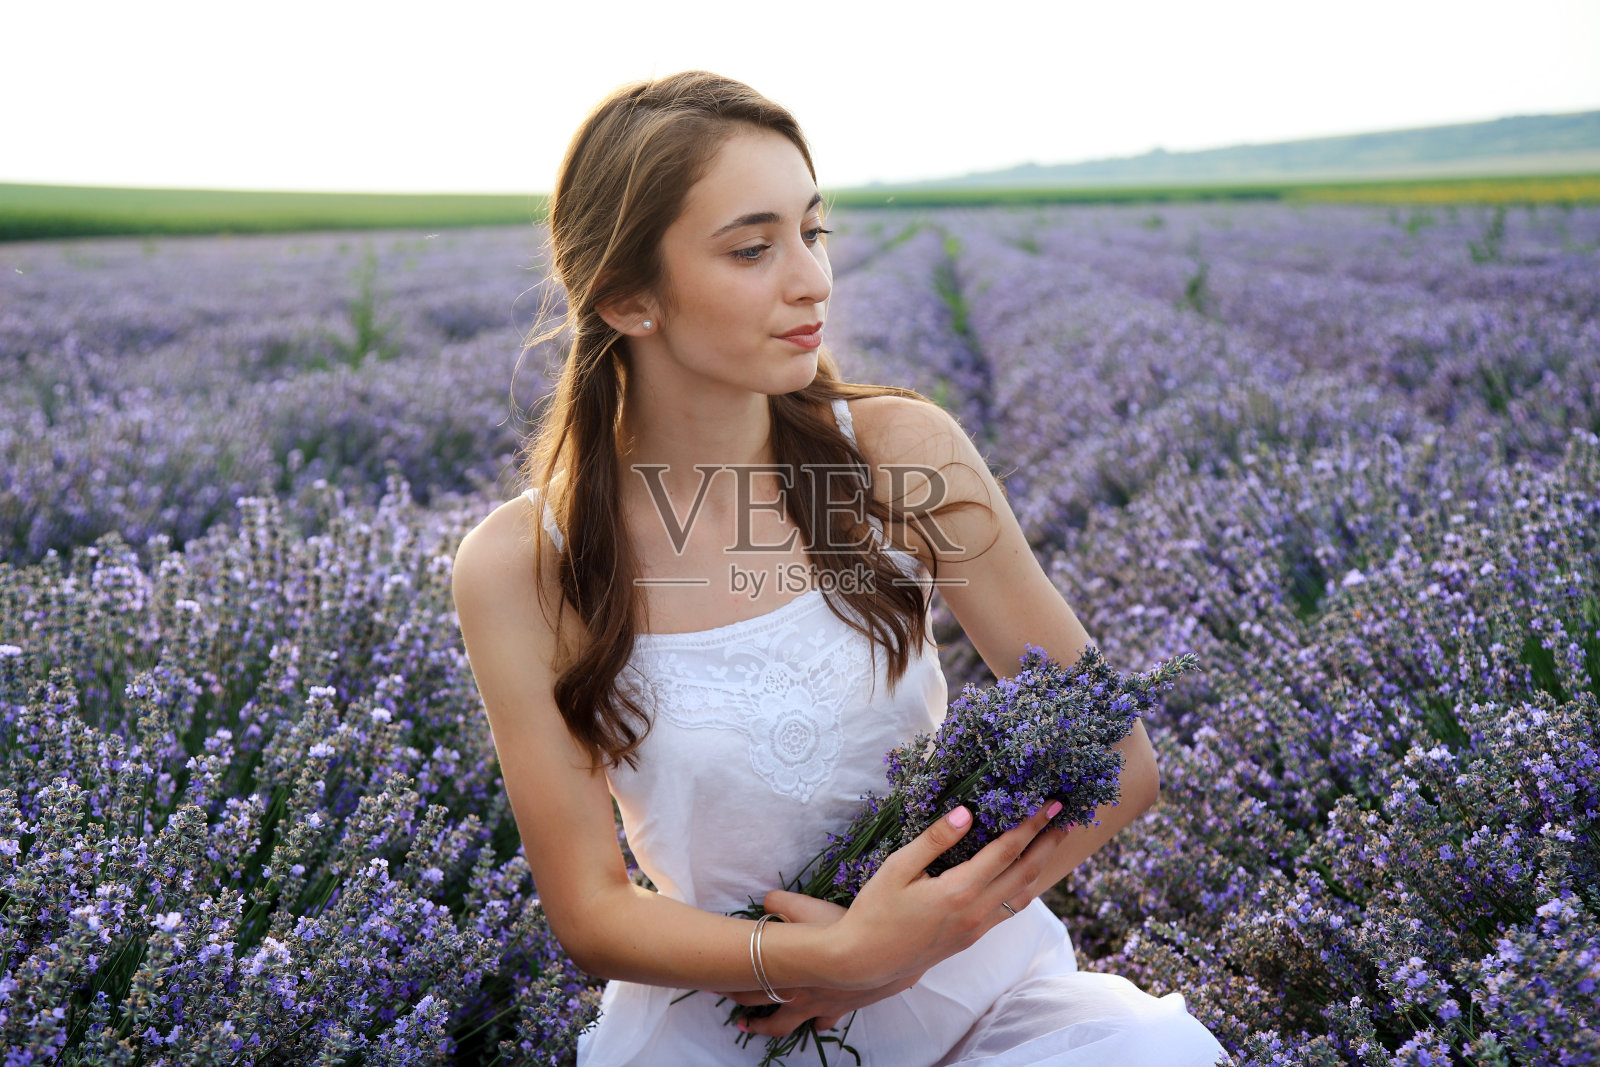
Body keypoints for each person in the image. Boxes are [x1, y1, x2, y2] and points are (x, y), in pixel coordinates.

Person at [452, 71, 1228, 1066]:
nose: (811, 278)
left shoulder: (904, 454)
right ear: (625, 296)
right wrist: (816, 953)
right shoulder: (521, 564)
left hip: (983, 995)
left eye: (812, 232)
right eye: (751, 247)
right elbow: (591, 910)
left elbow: (1116, 755)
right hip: (731, 1026)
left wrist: (903, 948)